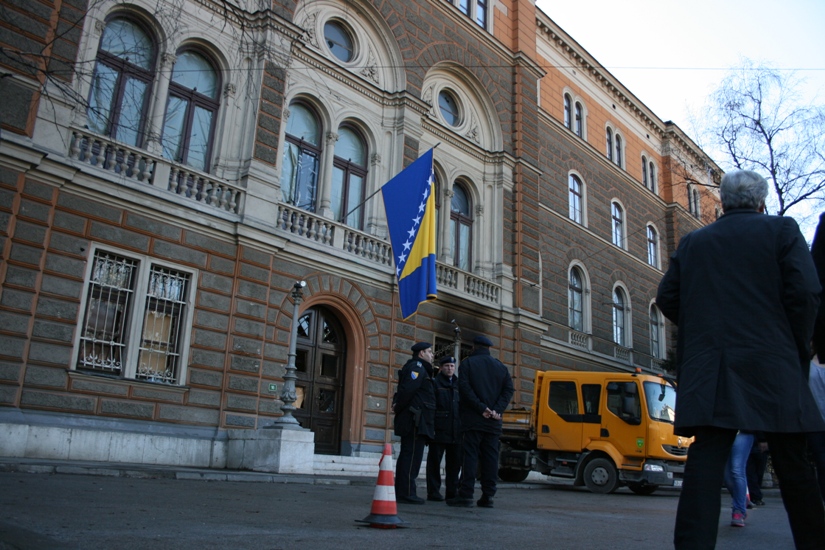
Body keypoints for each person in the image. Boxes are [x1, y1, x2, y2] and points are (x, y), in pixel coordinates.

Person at [656, 170, 825, 549]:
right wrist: (796, 344)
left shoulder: (694, 242)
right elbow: (807, 291)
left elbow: (667, 297)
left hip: (712, 366)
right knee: (793, 463)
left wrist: (705, 328)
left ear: (725, 204)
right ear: (761, 202)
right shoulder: (782, 231)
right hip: (773, 362)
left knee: (705, 461)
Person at [447, 335, 514, 508]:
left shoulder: (468, 364)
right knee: (490, 458)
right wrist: (496, 410)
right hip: (493, 421)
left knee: (470, 457)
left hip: (473, 419)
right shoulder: (500, 367)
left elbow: (465, 389)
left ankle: (466, 494)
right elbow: (508, 390)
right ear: (489, 348)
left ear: (474, 347)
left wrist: (481, 408)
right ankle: (488, 496)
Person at [393, 341, 436, 504]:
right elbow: (407, 390)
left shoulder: (420, 368)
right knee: (411, 456)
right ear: (421, 354)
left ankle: (405, 491)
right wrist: (398, 406)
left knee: (411, 455)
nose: (432, 355)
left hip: (417, 420)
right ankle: (406, 492)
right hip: (414, 420)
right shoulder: (417, 368)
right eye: (430, 352)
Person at [426, 355, 463, 502]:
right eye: (447, 366)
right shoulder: (435, 383)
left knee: (454, 464)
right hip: (439, 429)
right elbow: (431, 407)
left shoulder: (459, 384)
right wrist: (431, 428)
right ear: (441, 368)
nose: (450, 368)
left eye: (452, 366)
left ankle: (451, 492)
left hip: (456, 430)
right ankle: (433, 492)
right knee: (434, 463)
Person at [724, 431, 755, 526]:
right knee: (726, 476)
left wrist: (763, 439)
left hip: (743, 429)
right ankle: (742, 499)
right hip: (724, 430)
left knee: (737, 470)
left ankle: (739, 511)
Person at [745, 437, 769, 506]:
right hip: (755, 445)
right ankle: (756, 496)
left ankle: (755, 496)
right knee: (754, 473)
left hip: (753, 445)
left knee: (754, 473)